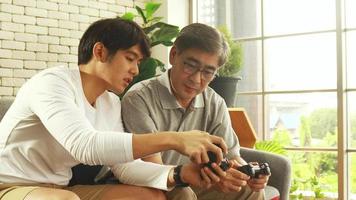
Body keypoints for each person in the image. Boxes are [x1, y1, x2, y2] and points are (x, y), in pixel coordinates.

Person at [0, 18, 228, 200]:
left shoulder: (110, 103)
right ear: (99, 52)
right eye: (130, 58)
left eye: (138, 62)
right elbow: (84, 145)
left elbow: (124, 168)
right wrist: (175, 139)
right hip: (11, 186)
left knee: (151, 197)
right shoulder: (52, 83)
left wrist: (178, 174)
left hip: (61, 188)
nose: (136, 71)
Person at [121, 23, 270, 200]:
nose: (196, 79)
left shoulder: (214, 102)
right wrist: (209, 179)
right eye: (190, 66)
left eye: (208, 72)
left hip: (195, 181)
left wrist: (248, 174)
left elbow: (232, 156)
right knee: (183, 192)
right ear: (174, 55)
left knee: (250, 190)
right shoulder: (139, 98)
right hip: (156, 181)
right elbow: (153, 169)